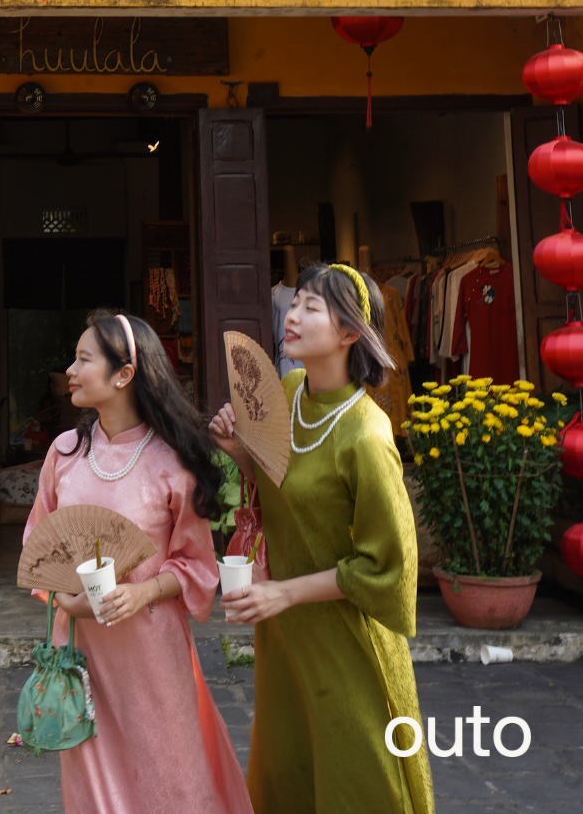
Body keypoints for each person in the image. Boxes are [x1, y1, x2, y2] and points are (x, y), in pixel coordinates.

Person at [210, 263, 434, 814]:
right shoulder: (287, 393)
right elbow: (280, 489)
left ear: (350, 332)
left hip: (345, 642)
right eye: (296, 303)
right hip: (285, 637)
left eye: (313, 307)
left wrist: (284, 593)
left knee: (357, 779)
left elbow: (388, 566)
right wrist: (239, 450)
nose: (293, 315)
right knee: (286, 774)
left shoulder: (367, 435)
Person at [24, 310, 253, 814]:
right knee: (93, 785)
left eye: (83, 359)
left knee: (168, 775)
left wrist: (143, 591)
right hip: (82, 652)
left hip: (151, 651)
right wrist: (64, 598)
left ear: (123, 374)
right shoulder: (64, 453)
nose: (70, 369)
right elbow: (39, 546)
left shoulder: (173, 462)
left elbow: (197, 566)